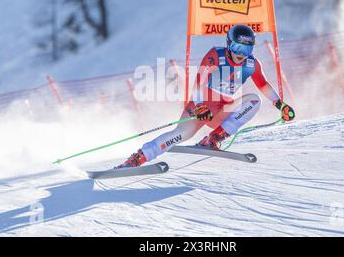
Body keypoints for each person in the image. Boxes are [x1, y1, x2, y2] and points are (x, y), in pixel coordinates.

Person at [116, 24, 295, 168]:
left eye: (246, 50)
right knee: (180, 135)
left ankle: (213, 138)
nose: (241, 54)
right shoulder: (216, 56)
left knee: (254, 100)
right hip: (200, 109)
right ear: (229, 44)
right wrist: (200, 106)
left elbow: (262, 84)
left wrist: (280, 105)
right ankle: (138, 158)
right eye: (237, 48)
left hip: (222, 111)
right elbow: (199, 83)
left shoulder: (252, 64)